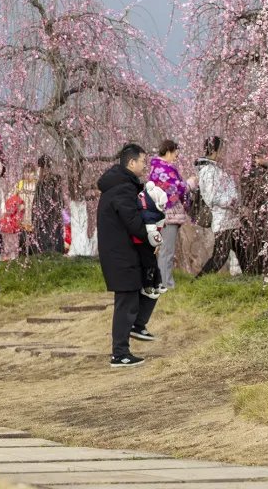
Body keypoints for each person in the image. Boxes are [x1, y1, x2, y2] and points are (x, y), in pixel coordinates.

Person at [97, 143, 161, 368]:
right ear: (131, 162)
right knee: (126, 301)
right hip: (120, 254)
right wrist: (152, 233)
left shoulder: (119, 185)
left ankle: (134, 332)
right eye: (143, 161)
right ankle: (120, 353)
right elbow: (133, 222)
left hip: (119, 253)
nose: (145, 166)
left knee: (137, 294)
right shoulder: (123, 188)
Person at [195, 137, 249, 276]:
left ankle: (252, 278)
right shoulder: (208, 171)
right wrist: (231, 202)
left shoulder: (216, 168)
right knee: (220, 256)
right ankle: (200, 281)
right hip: (222, 218)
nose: (224, 153)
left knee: (243, 250)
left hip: (231, 218)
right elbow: (212, 197)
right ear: (215, 150)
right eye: (222, 149)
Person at [149, 140, 190, 290]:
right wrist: (189, 184)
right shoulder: (163, 169)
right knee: (166, 251)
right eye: (174, 155)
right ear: (167, 152)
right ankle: (165, 284)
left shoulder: (159, 168)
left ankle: (164, 282)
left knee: (165, 251)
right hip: (167, 215)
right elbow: (174, 189)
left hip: (166, 215)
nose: (175, 158)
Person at [239, 153, 268, 275]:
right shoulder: (254, 172)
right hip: (258, 212)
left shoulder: (251, 170)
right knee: (259, 242)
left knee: (258, 243)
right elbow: (259, 194)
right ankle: (258, 271)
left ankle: (257, 271)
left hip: (255, 212)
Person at [4, 165, 38, 258]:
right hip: (22, 213)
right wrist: (18, 204)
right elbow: (10, 197)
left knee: (34, 236)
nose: (28, 174)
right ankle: (22, 256)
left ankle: (34, 256)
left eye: (30, 172)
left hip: (34, 213)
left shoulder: (37, 184)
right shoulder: (20, 184)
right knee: (22, 237)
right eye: (26, 172)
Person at [33, 155, 65, 254]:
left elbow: (39, 201)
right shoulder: (56, 180)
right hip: (55, 214)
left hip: (45, 215)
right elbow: (60, 200)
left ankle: (48, 253)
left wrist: (35, 215)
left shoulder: (43, 182)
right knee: (55, 235)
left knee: (47, 236)